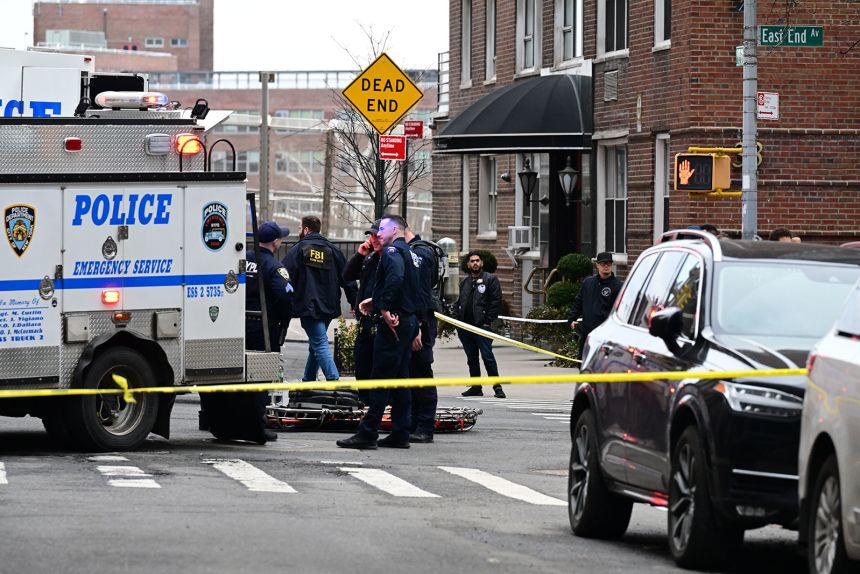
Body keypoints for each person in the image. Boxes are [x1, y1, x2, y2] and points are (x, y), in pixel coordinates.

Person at [200, 220, 292, 445]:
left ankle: (224, 423)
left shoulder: (241, 259)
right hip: (263, 329)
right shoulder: (274, 266)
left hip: (238, 324)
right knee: (259, 378)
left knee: (234, 376)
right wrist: (284, 319)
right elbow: (285, 297)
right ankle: (257, 426)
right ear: (276, 242)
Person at [337, 214, 419, 450]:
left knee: (380, 379)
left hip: (394, 322)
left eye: (382, 229)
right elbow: (411, 288)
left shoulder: (393, 252)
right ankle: (401, 432)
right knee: (401, 379)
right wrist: (375, 302)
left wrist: (383, 307)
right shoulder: (410, 254)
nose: (378, 234)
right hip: (407, 319)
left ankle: (368, 432)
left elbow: (395, 279)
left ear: (395, 229)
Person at [283, 215, 357, 382]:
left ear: (306, 229)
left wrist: (285, 301)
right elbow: (348, 278)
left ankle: (334, 381)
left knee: (319, 344)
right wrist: (354, 301)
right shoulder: (333, 250)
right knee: (315, 345)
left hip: (308, 307)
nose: (298, 231)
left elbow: (284, 276)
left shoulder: (298, 249)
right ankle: (308, 380)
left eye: (300, 228)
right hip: (329, 306)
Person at [405, 225, 439, 443]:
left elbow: (421, 293)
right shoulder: (413, 251)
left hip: (422, 321)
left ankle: (425, 427)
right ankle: (415, 423)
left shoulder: (420, 253)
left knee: (421, 372)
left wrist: (418, 324)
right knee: (412, 373)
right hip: (417, 319)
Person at [343, 219, 383, 402]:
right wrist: (359, 255)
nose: (373, 239)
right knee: (362, 365)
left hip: (380, 322)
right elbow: (347, 276)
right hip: (364, 323)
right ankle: (364, 402)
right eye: (371, 236)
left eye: (376, 235)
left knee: (378, 368)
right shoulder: (370, 258)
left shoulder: (391, 259)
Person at [456, 251, 504, 398]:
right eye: (472, 261)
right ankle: (476, 387)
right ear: (468, 264)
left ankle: (497, 387)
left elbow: (495, 302)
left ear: (482, 263)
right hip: (465, 327)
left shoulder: (490, 280)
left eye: (477, 261)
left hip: (482, 327)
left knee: (487, 356)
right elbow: (459, 302)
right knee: (472, 358)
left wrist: (487, 321)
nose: (475, 263)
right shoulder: (464, 282)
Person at [568, 252, 622, 360]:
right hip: (587, 333)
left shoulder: (617, 286)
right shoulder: (588, 283)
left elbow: (620, 310)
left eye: (608, 264)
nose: (606, 266)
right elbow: (579, 301)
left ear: (612, 265)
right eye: (603, 264)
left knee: (602, 364)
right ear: (597, 265)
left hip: (606, 335)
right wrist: (571, 319)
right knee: (582, 362)